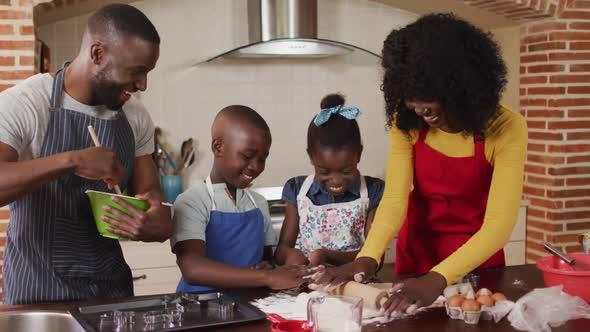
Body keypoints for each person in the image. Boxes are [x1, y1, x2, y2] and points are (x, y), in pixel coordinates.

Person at [316, 13, 528, 317]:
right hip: (416, 258)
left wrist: (438, 278)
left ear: (461, 83)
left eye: (427, 94)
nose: (417, 107)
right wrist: (367, 259)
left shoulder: (507, 128)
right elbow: (394, 200)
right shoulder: (407, 122)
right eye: (409, 97)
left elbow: (498, 225)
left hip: (475, 264)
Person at [0, 4, 172, 305]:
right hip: (37, 293)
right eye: (135, 72)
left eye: (147, 73)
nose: (142, 84)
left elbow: (150, 193)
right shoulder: (27, 102)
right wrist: (72, 160)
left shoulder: (135, 116)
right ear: (97, 53)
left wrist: (155, 216)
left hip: (112, 292)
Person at [172, 105, 311, 291]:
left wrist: (271, 267)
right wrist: (265, 276)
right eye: (247, 156)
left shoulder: (258, 203)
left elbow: (266, 261)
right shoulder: (192, 201)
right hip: (200, 308)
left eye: (262, 158)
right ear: (218, 147)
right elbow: (193, 269)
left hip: (249, 305)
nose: (256, 166)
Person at [274, 94, 384, 267]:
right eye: (324, 171)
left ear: (359, 154)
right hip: (308, 285)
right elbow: (281, 251)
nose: (336, 180)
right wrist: (292, 255)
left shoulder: (373, 190)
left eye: (346, 171)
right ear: (311, 156)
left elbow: (375, 256)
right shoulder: (297, 189)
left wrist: (326, 256)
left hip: (354, 283)